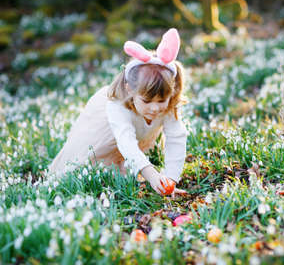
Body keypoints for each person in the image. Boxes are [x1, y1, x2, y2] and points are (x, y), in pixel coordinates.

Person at [48, 28, 188, 196]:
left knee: (128, 172)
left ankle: (127, 168)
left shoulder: (169, 102)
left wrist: (171, 179)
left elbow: (176, 138)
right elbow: (126, 141)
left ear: (170, 93)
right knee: (90, 166)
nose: (154, 108)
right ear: (130, 90)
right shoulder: (117, 105)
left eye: (161, 101)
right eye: (147, 101)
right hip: (106, 131)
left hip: (131, 138)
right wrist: (150, 174)